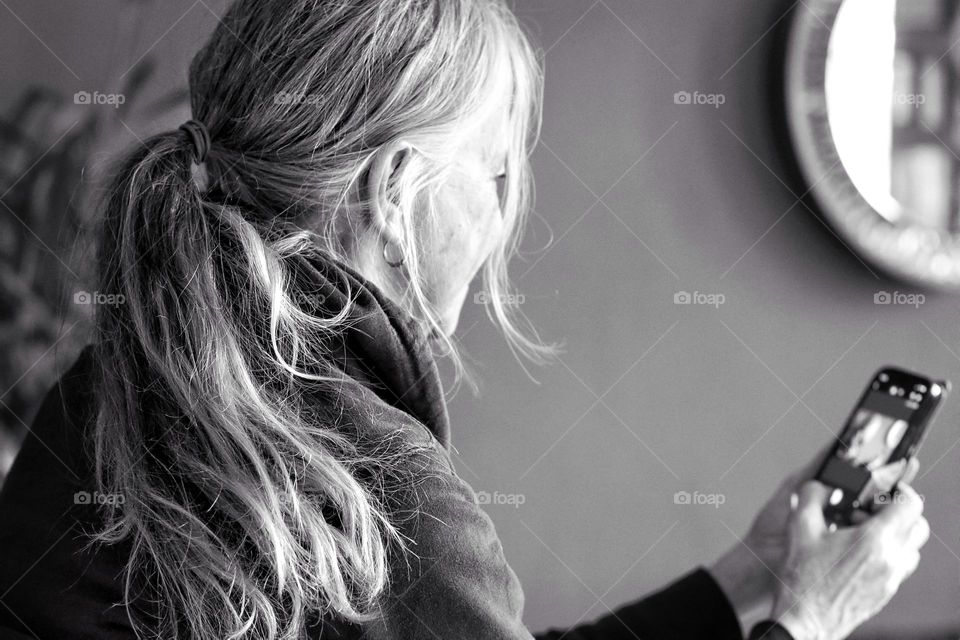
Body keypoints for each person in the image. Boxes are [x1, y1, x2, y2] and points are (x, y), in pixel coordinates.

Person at [0, 1, 929, 638]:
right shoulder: (380, 486)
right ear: (398, 193)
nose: (500, 221)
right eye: (494, 175)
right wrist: (806, 616)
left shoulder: (100, 389)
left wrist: (747, 577)